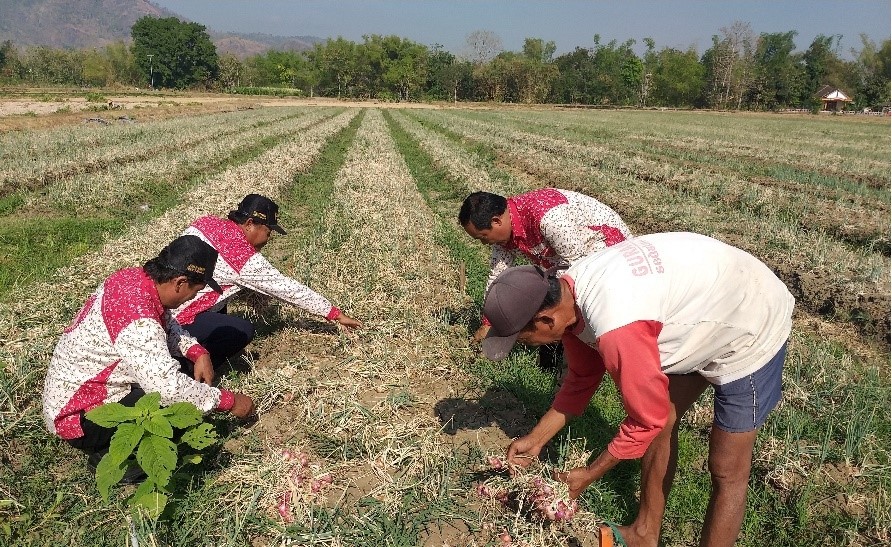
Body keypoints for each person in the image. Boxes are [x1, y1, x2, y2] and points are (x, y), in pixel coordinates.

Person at [481, 232, 794, 547]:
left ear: (545, 320)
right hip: (699, 310)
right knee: (662, 422)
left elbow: (645, 420)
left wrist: (589, 474)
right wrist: (536, 439)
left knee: (726, 468)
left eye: (522, 338)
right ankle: (644, 533)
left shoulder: (616, 325)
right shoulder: (568, 294)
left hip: (750, 317)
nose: (526, 346)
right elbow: (581, 379)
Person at [42, 235, 256, 471]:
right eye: (195, 291)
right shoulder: (138, 322)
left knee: (182, 378)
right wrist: (229, 401)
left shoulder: (135, 279)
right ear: (180, 282)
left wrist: (196, 351)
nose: (194, 297)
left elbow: (166, 321)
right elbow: (168, 389)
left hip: (87, 389)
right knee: (174, 414)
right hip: (79, 416)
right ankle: (113, 459)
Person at [174, 194, 361, 377]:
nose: (268, 239)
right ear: (249, 224)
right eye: (268, 232)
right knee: (241, 331)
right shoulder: (243, 257)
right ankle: (188, 372)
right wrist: (334, 313)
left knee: (219, 301)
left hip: (164, 304)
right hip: (178, 320)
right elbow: (288, 289)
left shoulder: (206, 223)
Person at [458, 188, 631, 368]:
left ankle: (597, 358)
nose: (485, 243)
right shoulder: (505, 233)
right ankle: (553, 362)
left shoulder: (548, 218)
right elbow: (497, 276)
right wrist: (490, 323)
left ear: (496, 221)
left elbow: (577, 267)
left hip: (607, 253)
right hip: (569, 259)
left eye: (483, 237)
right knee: (547, 298)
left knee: (564, 304)